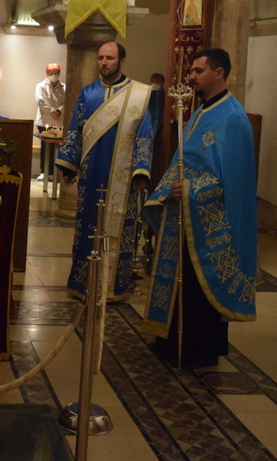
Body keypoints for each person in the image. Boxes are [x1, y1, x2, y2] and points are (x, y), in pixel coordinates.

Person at [141, 48, 257, 369]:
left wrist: (191, 190)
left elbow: (233, 181)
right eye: (191, 70)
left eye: (198, 71)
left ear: (219, 73)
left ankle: (199, 350)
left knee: (199, 287)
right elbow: (186, 162)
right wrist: (165, 192)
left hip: (212, 222)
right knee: (181, 281)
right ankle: (171, 342)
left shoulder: (233, 118)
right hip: (183, 214)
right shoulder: (201, 112)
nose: (191, 77)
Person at [55, 43, 152, 299]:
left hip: (124, 178)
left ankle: (114, 287)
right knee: (88, 227)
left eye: (109, 58)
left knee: (119, 231)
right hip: (91, 174)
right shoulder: (87, 93)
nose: (104, 62)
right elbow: (75, 130)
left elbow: (144, 135)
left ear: (122, 60)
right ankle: (82, 283)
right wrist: (69, 164)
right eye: (100, 58)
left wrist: (141, 170)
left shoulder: (139, 94)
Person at [35, 63, 65, 181]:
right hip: (44, 120)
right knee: (45, 146)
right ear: (47, 74)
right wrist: (51, 110)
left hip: (58, 120)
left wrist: (59, 111)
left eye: (56, 73)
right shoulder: (40, 86)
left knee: (56, 147)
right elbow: (40, 101)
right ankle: (44, 171)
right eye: (51, 73)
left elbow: (67, 101)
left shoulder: (64, 87)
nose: (54, 76)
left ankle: (54, 172)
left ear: (59, 73)